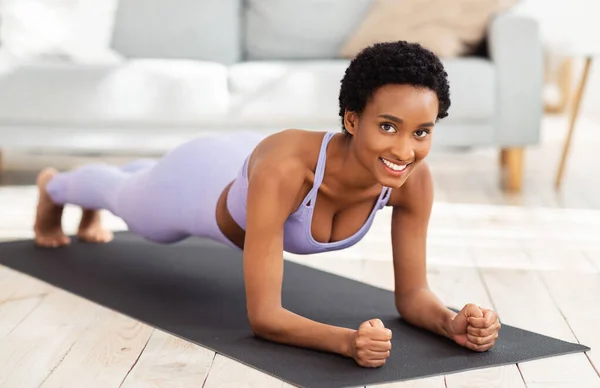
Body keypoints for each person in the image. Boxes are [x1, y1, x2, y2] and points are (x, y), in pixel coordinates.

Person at [33, 41, 501, 368]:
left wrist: (450, 322)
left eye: (422, 132)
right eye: (388, 127)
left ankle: (133, 174)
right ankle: (54, 189)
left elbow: (412, 297)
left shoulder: (412, 181)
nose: (405, 151)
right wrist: (346, 342)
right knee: (131, 205)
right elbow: (264, 318)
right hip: (196, 183)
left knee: (136, 182)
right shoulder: (287, 170)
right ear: (352, 120)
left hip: (247, 162)